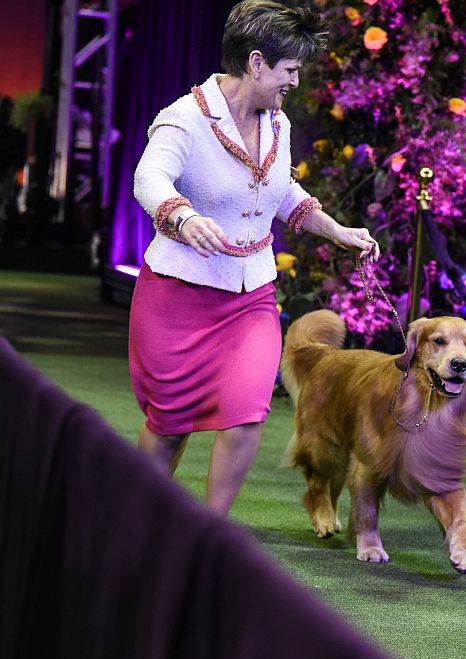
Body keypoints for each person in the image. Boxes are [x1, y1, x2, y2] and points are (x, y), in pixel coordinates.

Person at [130, 0, 380, 516]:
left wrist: (336, 230)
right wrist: (183, 216)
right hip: (178, 296)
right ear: (257, 62)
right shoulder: (184, 118)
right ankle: (138, 522)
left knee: (246, 414)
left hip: (251, 296)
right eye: (290, 70)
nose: (295, 82)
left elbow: (281, 190)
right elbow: (148, 178)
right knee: (169, 425)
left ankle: (210, 531)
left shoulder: (277, 123)